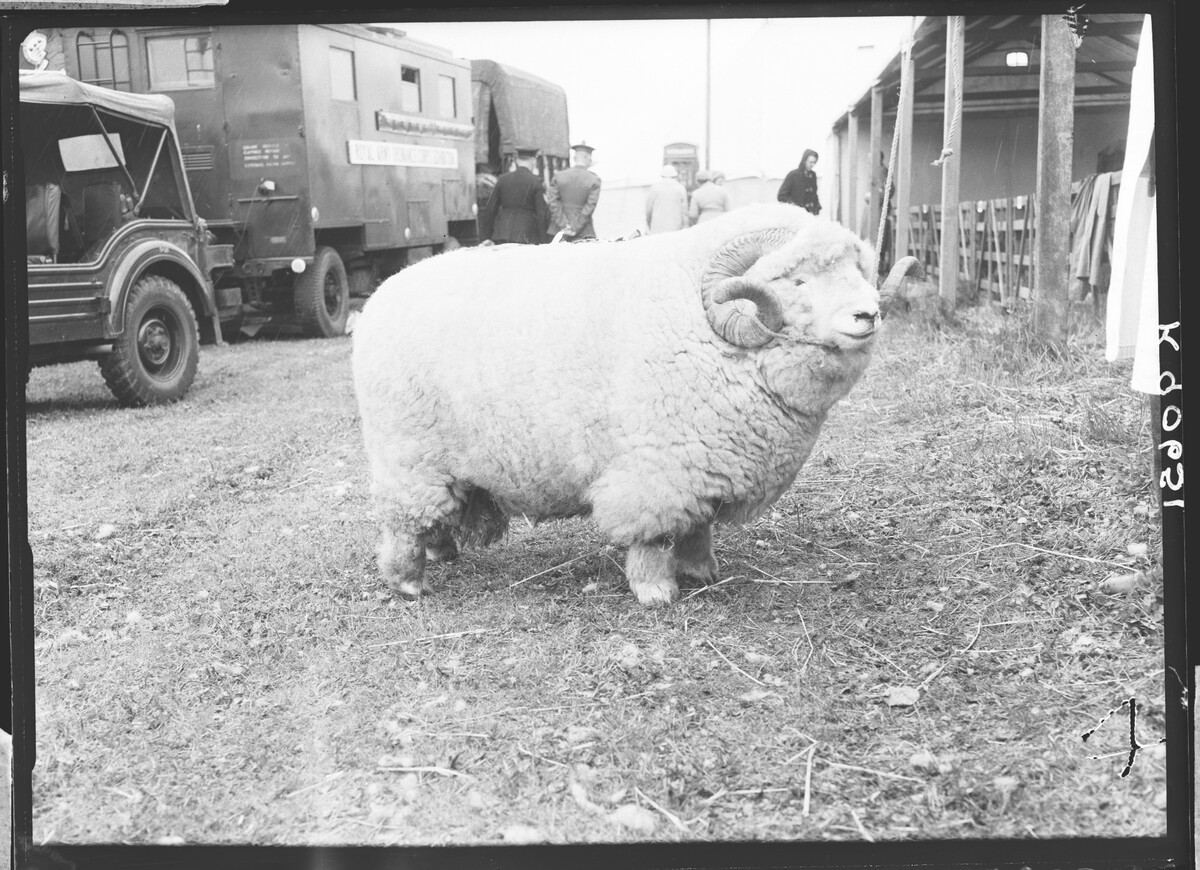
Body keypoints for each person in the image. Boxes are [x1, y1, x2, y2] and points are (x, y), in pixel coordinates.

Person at [478, 149, 549, 245]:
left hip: (502, 233)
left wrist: (485, 237)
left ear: (516, 161)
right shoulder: (536, 181)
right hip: (527, 235)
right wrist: (544, 241)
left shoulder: (502, 179)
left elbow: (490, 209)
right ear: (533, 161)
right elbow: (541, 214)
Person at [547, 141, 601, 241]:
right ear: (588, 158)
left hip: (558, 230)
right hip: (584, 231)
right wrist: (574, 227)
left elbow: (552, 202)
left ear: (574, 158)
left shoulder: (559, 176)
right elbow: (589, 207)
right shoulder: (594, 180)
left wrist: (563, 224)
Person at [645, 164, 688, 234]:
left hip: (656, 226)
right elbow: (684, 212)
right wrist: (685, 226)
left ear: (662, 175)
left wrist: (648, 223)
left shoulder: (654, 188)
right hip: (675, 226)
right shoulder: (680, 188)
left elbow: (648, 209)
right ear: (675, 175)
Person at [777, 149, 821, 215]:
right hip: (796, 215)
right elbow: (781, 196)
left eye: (814, 162)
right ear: (804, 160)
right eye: (811, 162)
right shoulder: (793, 175)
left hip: (810, 214)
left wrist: (816, 207)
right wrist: (795, 207)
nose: (813, 165)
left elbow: (814, 194)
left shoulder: (813, 175)